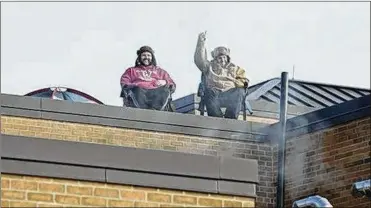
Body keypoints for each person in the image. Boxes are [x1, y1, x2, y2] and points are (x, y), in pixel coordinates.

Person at [194, 31, 249, 119]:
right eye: (219, 58)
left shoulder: (236, 68)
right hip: (215, 92)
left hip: (230, 93)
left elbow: (243, 80)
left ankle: (231, 119)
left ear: (227, 58)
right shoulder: (209, 67)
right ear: (215, 59)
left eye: (224, 57)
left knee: (240, 91)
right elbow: (199, 60)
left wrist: (237, 82)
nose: (222, 60)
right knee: (208, 92)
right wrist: (201, 43)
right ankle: (217, 119)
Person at [120, 46, 176, 110]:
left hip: (156, 95)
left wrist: (165, 82)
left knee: (165, 91)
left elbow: (172, 84)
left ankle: (154, 111)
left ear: (152, 57)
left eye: (148, 55)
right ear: (139, 57)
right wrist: (136, 85)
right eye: (144, 55)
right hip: (139, 95)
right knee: (137, 90)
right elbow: (124, 82)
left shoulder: (160, 71)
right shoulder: (131, 71)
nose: (146, 57)